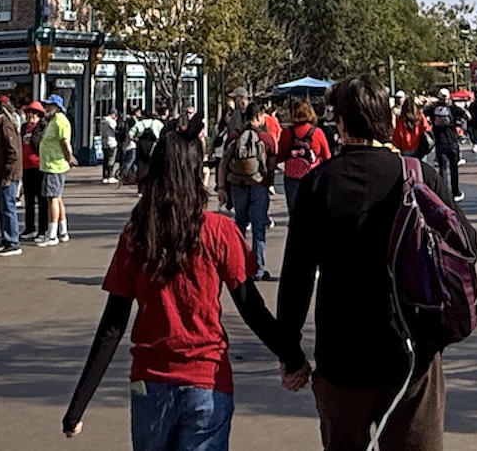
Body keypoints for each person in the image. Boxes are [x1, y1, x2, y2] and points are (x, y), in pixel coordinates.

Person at [62, 130, 308, 447]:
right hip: (207, 380)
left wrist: (78, 406)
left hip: (149, 383)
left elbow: (113, 323)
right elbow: (251, 308)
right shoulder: (220, 232)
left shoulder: (137, 234)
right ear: (199, 174)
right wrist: (292, 357)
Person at [277, 76, 477, 451]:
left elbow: (297, 276)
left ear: (342, 124)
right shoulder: (419, 176)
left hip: (342, 359)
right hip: (413, 354)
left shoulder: (320, 184)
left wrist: (290, 354)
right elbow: (467, 246)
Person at [218, 103, 278, 280]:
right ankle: (258, 267)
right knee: (259, 225)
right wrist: (269, 182)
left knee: (240, 223)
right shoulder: (265, 138)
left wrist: (222, 187)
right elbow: (272, 163)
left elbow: (224, 163)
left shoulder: (235, 136)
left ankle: (238, 265)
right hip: (259, 184)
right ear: (259, 116)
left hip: (237, 184)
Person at [36, 93, 77, 246]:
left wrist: (69, 157)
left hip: (55, 165)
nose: (46, 108)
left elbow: (65, 142)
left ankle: (52, 234)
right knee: (57, 197)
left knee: (52, 198)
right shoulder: (52, 121)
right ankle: (63, 231)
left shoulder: (60, 122)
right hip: (49, 164)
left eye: (49, 105)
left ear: (57, 107)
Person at [0, 97, 24, 256]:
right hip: (0, 174)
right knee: (2, 207)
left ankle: (13, 241)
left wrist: (8, 174)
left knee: (8, 208)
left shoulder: (6, 126)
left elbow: (13, 153)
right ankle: (6, 239)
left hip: (8, 175)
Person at [279, 99, 331, 214]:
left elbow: (281, 155)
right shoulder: (317, 132)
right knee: (313, 212)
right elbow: (327, 156)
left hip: (292, 177)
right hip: (313, 176)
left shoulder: (286, 133)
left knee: (294, 212)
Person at [426, 88, 465, 201]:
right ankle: (456, 192)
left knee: (442, 169)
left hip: (440, 142)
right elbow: (467, 115)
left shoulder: (433, 108)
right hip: (452, 141)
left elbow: (423, 112)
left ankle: (443, 192)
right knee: (454, 168)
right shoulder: (452, 108)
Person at [20, 102, 50, 240]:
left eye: (33, 112)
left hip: (39, 167)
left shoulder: (43, 127)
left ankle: (43, 229)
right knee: (29, 199)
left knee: (42, 200)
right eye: (28, 112)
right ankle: (29, 228)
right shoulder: (24, 127)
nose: (30, 115)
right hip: (26, 167)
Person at [390, 94, 431, 159]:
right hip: (419, 147)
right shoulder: (420, 116)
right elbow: (427, 129)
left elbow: (397, 136)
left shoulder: (401, 119)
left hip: (406, 149)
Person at [98, 109, 120, 183]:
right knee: (111, 160)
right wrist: (115, 121)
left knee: (105, 160)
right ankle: (110, 176)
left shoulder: (102, 121)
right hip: (112, 142)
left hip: (104, 142)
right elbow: (116, 128)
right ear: (113, 114)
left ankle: (105, 176)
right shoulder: (111, 121)